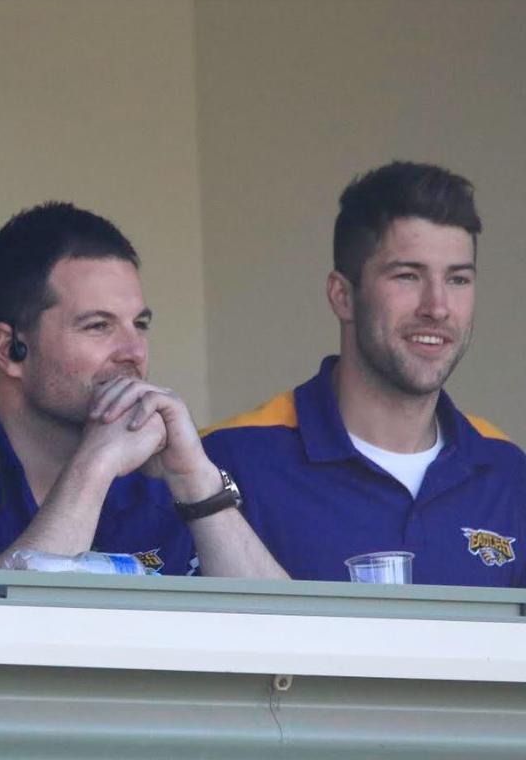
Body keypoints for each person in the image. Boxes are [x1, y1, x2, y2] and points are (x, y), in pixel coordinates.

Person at [0, 202, 286, 578]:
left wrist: (197, 484)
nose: (133, 351)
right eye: (98, 326)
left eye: (139, 325)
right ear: (9, 350)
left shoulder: (159, 463)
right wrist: (94, 467)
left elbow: (282, 642)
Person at [202, 161, 526, 586]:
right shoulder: (228, 460)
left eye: (458, 279)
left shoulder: (508, 473)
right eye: (408, 276)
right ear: (343, 296)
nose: (438, 306)